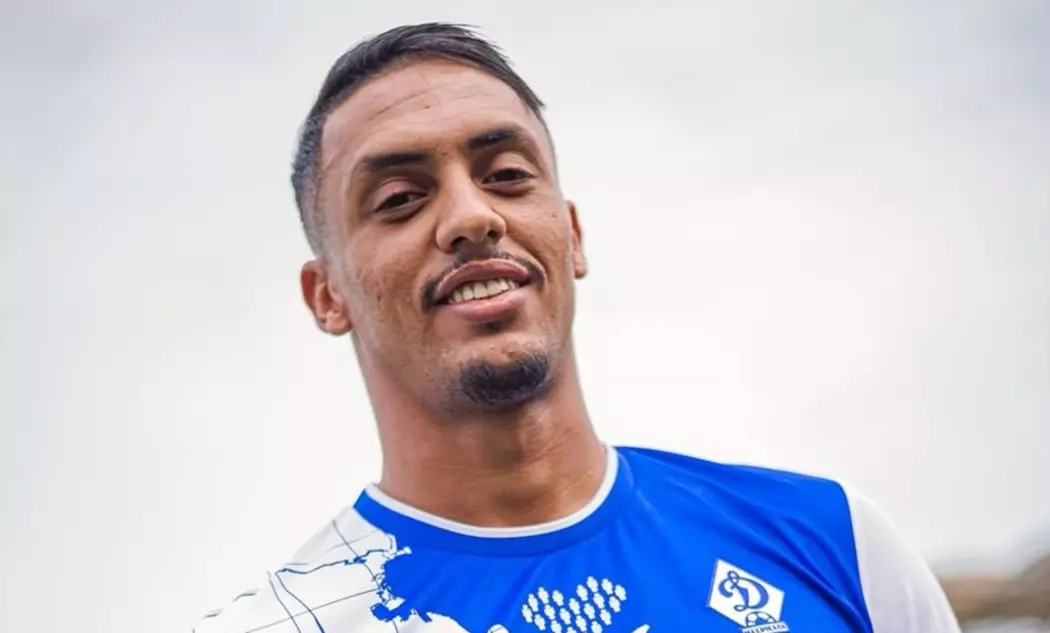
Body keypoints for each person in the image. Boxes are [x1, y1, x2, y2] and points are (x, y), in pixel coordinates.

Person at [192, 23, 961, 633]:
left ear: (572, 234)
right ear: (326, 296)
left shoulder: (835, 541)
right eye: (399, 198)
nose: (471, 216)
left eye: (507, 175)